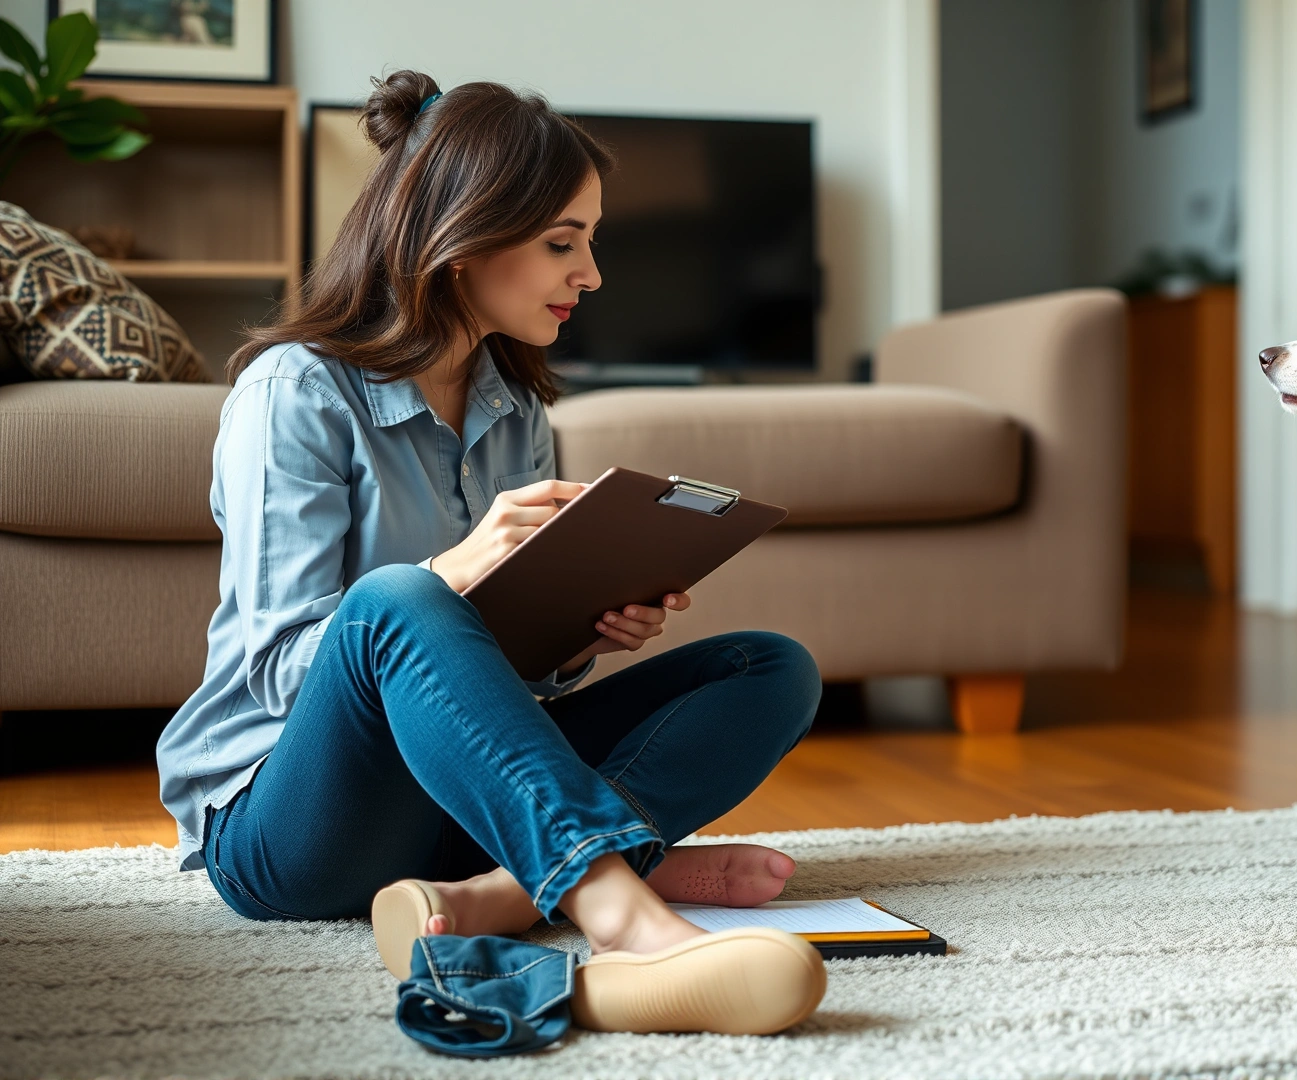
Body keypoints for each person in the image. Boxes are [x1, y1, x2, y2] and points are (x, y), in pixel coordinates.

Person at [155, 70, 827, 1035]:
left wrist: (577, 637)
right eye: (563, 242)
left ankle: (497, 896)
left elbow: (501, 700)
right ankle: (626, 914)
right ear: (462, 241)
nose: (590, 274)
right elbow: (273, 672)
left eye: (588, 242)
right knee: (394, 600)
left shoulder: (516, 412)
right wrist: (449, 578)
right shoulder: (291, 395)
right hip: (287, 830)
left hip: (452, 813)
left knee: (770, 666)